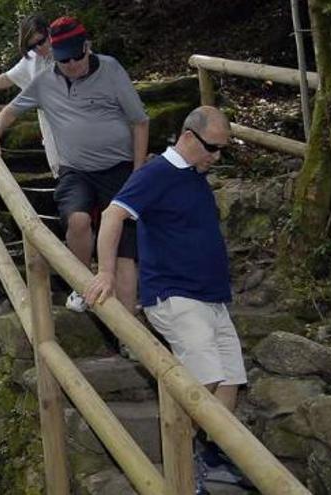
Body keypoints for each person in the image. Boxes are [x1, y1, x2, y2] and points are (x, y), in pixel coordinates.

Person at [84, 106, 247, 494]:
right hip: (176, 296)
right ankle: (186, 473)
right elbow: (112, 215)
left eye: (223, 149)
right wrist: (105, 272)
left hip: (211, 299)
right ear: (189, 137)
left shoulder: (194, 176)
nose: (217, 157)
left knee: (229, 383)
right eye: (213, 148)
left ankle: (212, 455)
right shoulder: (157, 173)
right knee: (201, 386)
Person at [0, 16, 149, 314]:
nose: (70, 65)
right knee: (78, 220)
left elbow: (140, 121)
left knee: (123, 249)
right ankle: (81, 285)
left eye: (76, 57)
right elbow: (10, 110)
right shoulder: (45, 80)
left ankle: (129, 329)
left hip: (119, 168)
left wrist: (137, 172)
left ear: (87, 46)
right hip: (75, 170)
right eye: (62, 59)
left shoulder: (110, 69)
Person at [0, 14, 65, 177]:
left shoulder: (71, 53)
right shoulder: (33, 59)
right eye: (32, 46)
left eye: (41, 41)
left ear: (49, 32)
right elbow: (9, 77)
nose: (39, 48)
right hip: (55, 137)